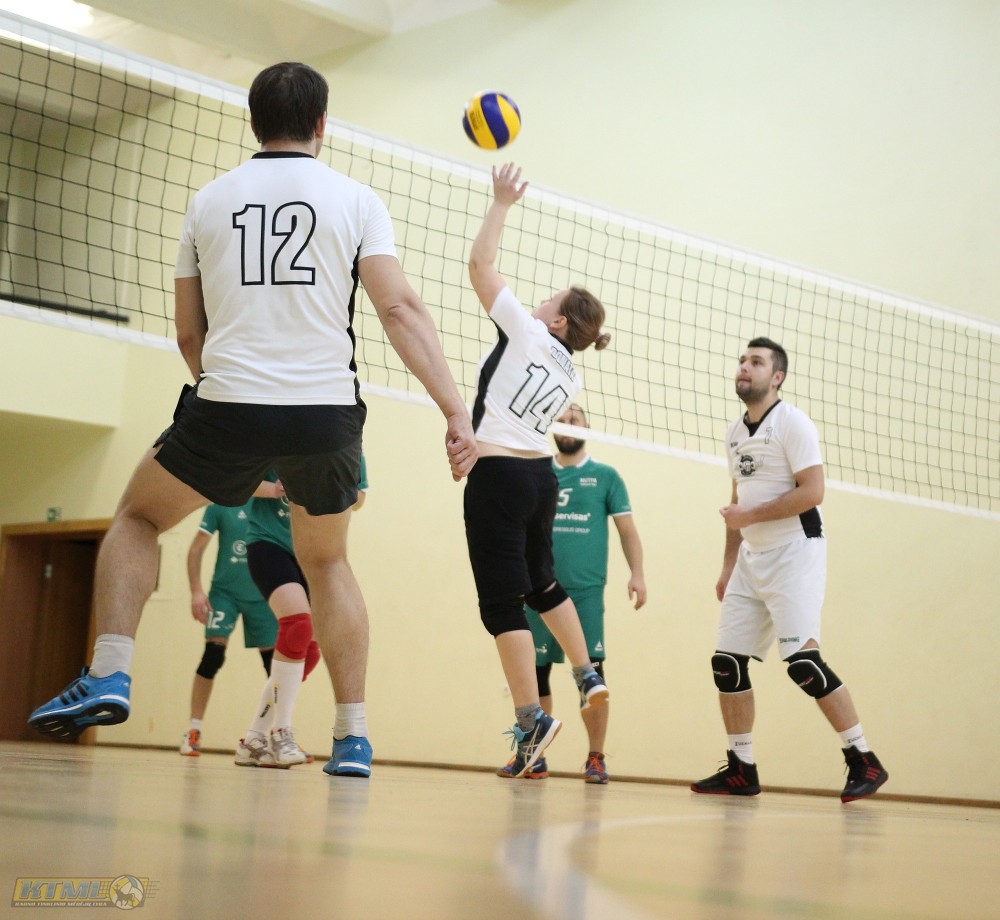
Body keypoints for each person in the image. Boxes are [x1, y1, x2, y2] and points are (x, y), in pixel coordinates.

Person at [28, 62, 477, 782]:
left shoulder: (208, 201)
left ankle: (110, 670)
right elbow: (398, 309)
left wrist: (233, 404)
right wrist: (455, 411)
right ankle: (352, 738)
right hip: (325, 414)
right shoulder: (357, 200)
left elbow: (188, 334)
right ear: (322, 123)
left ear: (253, 121)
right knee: (327, 562)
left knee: (138, 518)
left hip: (228, 404)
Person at [691, 337, 888, 803]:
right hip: (750, 557)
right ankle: (742, 768)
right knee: (726, 664)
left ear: (776, 377)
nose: (745, 366)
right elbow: (738, 502)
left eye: (756, 362)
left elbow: (813, 492)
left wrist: (750, 518)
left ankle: (864, 759)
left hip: (796, 551)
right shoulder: (735, 432)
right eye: (742, 360)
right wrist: (727, 565)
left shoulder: (792, 422)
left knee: (803, 664)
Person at [465, 162, 611, 779]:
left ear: (556, 322)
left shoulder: (526, 332)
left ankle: (532, 721)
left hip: (500, 479)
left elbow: (480, 265)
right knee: (542, 584)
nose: (539, 299)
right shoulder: (572, 374)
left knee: (501, 605)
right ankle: (586, 673)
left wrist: (501, 202)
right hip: (539, 479)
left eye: (548, 299)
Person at [499, 403, 646, 783]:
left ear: (587, 427)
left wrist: (638, 574)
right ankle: (534, 755)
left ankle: (596, 757)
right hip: (536, 589)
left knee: (593, 676)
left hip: (585, 593)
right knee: (535, 672)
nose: (567, 425)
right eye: (561, 420)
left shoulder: (605, 476)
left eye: (574, 419)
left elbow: (627, 530)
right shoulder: (540, 471)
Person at [235, 460, 368, 770]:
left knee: (310, 649)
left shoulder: (349, 445)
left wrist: (327, 490)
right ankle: (282, 732)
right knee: (297, 624)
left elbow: (359, 497)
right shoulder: (275, 437)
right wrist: (276, 489)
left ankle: (253, 739)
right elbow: (240, 481)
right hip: (267, 543)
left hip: (315, 552)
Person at [180, 492, 282, 757]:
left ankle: (278, 733)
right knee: (212, 656)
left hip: (263, 595)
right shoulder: (221, 503)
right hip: (224, 594)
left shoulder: (270, 504)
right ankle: (193, 730)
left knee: (276, 669)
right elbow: (196, 548)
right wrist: (196, 591)